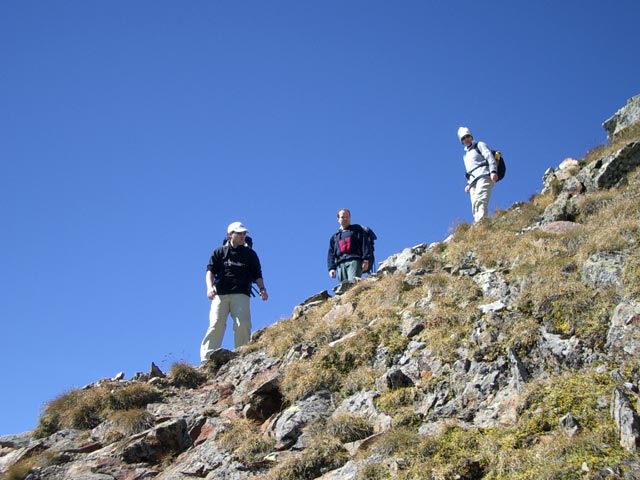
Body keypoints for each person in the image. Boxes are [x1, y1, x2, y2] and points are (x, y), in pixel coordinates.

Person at [200, 221, 268, 362]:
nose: (242, 236)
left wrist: (262, 289)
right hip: (220, 294)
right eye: (239, 233)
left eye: (244, 233)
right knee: (216, 323)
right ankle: (207, 358)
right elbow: (210, 271)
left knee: (242, 323)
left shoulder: (250, 255)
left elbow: (257, 274)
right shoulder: (219, 252)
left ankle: (242, 354)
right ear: (230, 235)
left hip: (241, 293)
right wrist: (209, 287)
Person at [458, 127, 499, 223]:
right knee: (475, 205)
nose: (466, 139)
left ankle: (482, 224)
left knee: (481, 200)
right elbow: (469, 171)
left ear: (471, 136)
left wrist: (493, 171)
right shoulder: (466, 155)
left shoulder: (479, 145)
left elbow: (489, 157)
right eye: (463, 138)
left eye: (467, 136)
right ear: (462, 141)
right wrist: (468, 184)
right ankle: (478, 226)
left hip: (484, 175)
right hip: (472, 182)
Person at [327, 209, 372, 282]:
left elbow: (364, 243)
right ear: (338, 219)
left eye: (347, 216)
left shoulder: (357, 229)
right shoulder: (335, 237)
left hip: (354, 260)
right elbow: (331, 253)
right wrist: (331, 268)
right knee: (344, 288)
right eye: (342, 217)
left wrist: (366, 260)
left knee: (352, 284)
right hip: (340, 264)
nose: (345, 219)